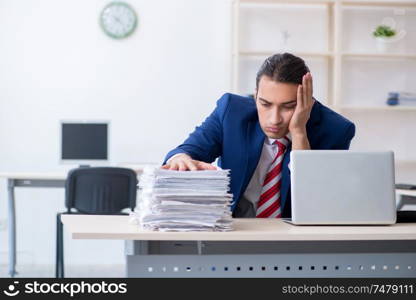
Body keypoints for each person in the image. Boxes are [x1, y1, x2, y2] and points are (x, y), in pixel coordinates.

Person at [162, 53, 355, 218]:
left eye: (288, 107)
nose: (274, 119)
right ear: (255, 95)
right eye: (265, 104)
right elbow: (187, 151)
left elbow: (315, 202)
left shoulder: (336, 130)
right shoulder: (231, 112)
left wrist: (298, 133)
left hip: (296, 238)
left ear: (307, 101)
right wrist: (181, 158)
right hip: (233, 230)